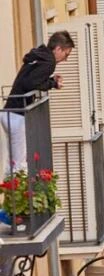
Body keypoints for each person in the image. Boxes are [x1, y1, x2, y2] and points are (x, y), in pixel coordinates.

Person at [2, 31, 74, 172]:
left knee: (9, 163)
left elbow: (32, 78)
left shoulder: (40, 55)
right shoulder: (49, 62)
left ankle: (10, 189)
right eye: (66, 54)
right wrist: (53, 84)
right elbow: (31, 83)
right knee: (19, 165)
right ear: (58, 49)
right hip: (18, 115)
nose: (65, 59)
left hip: (8, 112)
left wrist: (50, 80)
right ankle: (19, 193)